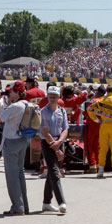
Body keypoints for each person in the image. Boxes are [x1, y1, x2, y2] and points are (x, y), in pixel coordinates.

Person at [0, 80, 31, 216]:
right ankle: (23, 205)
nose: (9, 94)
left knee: (12, 176)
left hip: (12, 141)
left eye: (11, 92)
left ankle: (17, 207)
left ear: (17, 93)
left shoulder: (15, 107)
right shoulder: (25, 104)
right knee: (20, 174)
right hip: (22, 140)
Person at [39, 86, 69, 214]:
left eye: (54, 96)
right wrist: (56, 148)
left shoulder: (62, 111)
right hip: (48, 143)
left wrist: (60, 142)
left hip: (59, 141)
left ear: (58, 97)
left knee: (52, 172)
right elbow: (45, 132)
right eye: (50, 95)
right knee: (55, 172)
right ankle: (62, 202)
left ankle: (46, 202)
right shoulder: (43, 111)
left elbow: (65, 129)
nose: (52, 98)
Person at [87, 84, 112, 178]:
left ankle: (100, 170)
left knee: (103, 148)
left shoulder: (101, 100)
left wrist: (96, 119)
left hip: (103, 125)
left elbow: (90, 109)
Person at [83, 85, 105, 174]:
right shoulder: (105, 102)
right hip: (101, 125)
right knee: (98, 146)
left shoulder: (94, 101)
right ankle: (98, 164)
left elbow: (87, 112)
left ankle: (92, 165)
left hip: (92, 124)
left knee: (89, 146)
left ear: (97, 92)